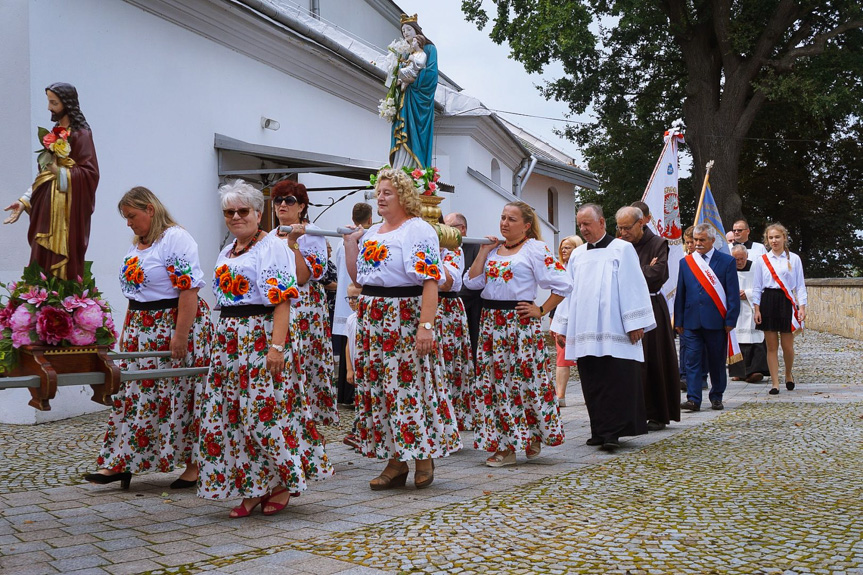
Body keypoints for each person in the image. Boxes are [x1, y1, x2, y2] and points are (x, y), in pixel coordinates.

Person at [198, 180, 331, 518]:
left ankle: (282, 481)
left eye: (243, 211)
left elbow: (284, 300)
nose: (236, 217)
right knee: (234, 417)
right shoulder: (227, 251)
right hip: (230, 338)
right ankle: (252, 486)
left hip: (261, 333)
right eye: (230, 212)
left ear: (258, 213)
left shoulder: (271, 247)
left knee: (265, 413)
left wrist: (276, 347)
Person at [84, 187, 212, 490]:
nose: (128, 222)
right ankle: (120, 461)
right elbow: (135, 293)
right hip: (142, 328)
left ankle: (194, 465)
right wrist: (127, 331)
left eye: (132, 216)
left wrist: (179, 336)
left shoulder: (175, 239)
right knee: (134, 397)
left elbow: (188, 289)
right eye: (125, 217)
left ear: (149, 209)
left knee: (181, 394)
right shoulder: (138, 246)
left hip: (171, 323)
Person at [342, 168, 460, 490]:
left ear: (403, 197)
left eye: (387, 193)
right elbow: (358, 279)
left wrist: (425, 326)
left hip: (403, 316)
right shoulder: (372, 234)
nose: (380, 197)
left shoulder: (417, 229)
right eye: (378, 192)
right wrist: (351, 245)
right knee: (381, 391)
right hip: (373, 316)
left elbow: (430, 280)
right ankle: (395, 461)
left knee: (410, 388)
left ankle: (423, 457)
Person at [464, 201, 570, 467]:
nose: (504, 223)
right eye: (502, 218)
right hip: (491, 323)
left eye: (511, 219)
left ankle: (528, 436)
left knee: (524, 383)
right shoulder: (493, 250)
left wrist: (542, 309)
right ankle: (508, 443)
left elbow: (564, 282)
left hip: (519, 323)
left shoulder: (534, 249)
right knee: (496, 385)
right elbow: (471, 282)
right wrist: (482, 252)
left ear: (525, 225)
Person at [551, 204, 654, 451]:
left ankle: (613, 432)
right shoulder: (577, 255)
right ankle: (598, 429)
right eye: (580, 225)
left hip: (614, 326)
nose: (583, 229)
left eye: (587, 223)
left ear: (602, 223)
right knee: (592, 379)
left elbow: (633, 285)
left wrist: (635, 322)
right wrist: (562, 325)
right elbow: (568, 290)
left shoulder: (622, 249)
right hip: (585, 327)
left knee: (614, 378)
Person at [4, 83, 99, 280]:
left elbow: (90, 174)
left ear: (67, 104)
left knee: (63, 262)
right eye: (49, 102)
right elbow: (44, 175)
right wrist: (24, 201)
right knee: (41, 256)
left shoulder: (81, 135)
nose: (49, 108)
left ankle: (62, 300)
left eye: (53, 103)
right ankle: (40, 297)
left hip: (66, 215)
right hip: (46, 212)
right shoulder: (54, 134)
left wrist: (60, 172)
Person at [268, 180, 338, 426]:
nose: (282, 205)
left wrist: (293, 244)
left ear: (302, 206)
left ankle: (311, 429)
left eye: (289, 200)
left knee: (306, 364)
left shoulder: (312, 232)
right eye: (278, 200)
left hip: (305, 306)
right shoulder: (269, 236)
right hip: (277, 306)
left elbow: (302, 276)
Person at [615, 206, 680, 432]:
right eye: (619, 228)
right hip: (623, 308)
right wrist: (643, 269)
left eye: (627, 227)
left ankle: (656, 412)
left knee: (654, 360)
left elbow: (658, 275)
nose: (622, 232)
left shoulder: (658, 244)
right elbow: (614, 274)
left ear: (640, 223)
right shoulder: (619, 246)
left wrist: (635, 272)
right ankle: (632, 411)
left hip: (651, 307)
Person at [675, 223, 740, 412]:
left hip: (716, 320)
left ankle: (717, 396)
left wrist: (730, 320)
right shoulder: (686, 262)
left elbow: (732, 294)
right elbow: (681, 292)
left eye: (702, 240)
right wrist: (678, 320)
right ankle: (694, 399)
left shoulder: (726, 261)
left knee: (716, 361)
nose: (697, 244)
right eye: (695, 240)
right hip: (691, 321)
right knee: (692, 360)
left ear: (712, 240)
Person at [752, 223, 807, 394]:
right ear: (766, 240)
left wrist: (802, 307)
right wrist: (757, 309)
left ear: (784, 237)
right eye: (770, 238)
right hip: (768, 300)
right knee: (771, 346)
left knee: (787, 346)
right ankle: (775, 383)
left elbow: (800, 285)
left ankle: (788, 373)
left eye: (777, 237)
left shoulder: (794, 259)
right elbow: (757, 286)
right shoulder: (762, 260)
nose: (774, 240)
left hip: (786, 301)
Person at [332, 202, 374, 405]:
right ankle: (351, 393)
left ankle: (345, 394)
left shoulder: (344, 240)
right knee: (353, 342)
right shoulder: (364, 238)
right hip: (355, 294)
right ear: (370, 219)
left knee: (348, 341)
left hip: (345, 294)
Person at [390, 15, 437, 170]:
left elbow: (430, 74)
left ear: (416, 31)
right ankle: (399, 167)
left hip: (418, 98)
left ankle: (416, 170)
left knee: (415, 132)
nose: (405, 33)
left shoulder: (429, 49)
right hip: (405, 97)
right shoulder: (404, 53)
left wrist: (413, 82)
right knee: (402, 131)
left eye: (408, 29)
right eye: (403, 31)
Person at [438, 240, 476, 431]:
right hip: (417, 306)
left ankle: (451, 418)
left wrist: (432, 251)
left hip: (445, 310)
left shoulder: (452, 251)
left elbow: (446, 283)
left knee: (450, 366)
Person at [444, 212, 482, 365]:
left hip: (472, 306)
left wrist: (456, 295)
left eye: (449, 228)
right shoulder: (445, 247)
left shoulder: (475, 246)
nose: (445, 232)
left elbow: (475, 279)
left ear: (463, 229)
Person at [728, 244, 768, 383]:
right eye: (736, 259)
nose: (739, 262)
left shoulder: (757, 268)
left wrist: (748, 293)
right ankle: (738, 372)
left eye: (742, 259)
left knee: (755, 340)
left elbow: (764, 287)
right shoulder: (728, 268)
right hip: (736, 309)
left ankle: (755, 371)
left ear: (747, 257)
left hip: (752, 308)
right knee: (736, 340)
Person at [551, 235, 582, 406]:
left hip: (578, 318)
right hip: (561, 318)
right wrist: (553, 320)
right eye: (562, 247)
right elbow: (555, 296)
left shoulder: (581, 269)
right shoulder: (559, 269)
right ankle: (560, 395)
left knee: (585, 358)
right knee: (562, 358)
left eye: (568, 247)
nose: (563, 250)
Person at [678, 226, 708, 392]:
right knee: (685, 345)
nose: (691, 245)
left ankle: (702, 376)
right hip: (687, 310)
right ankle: (684, 375)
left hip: (703, 309)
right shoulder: (683, 260)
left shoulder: (705, 260)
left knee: (702, 347)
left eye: (693, 241)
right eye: (688, 242)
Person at [341, 282, 363, 450]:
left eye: (355, 298)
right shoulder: (350, 319)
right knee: (359, 400)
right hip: (356, 366)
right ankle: (359, 433)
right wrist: (349, 368)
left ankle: (359, 433)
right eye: (349, 297)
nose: (351, 301)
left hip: (366, 365)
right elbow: (349, 343)